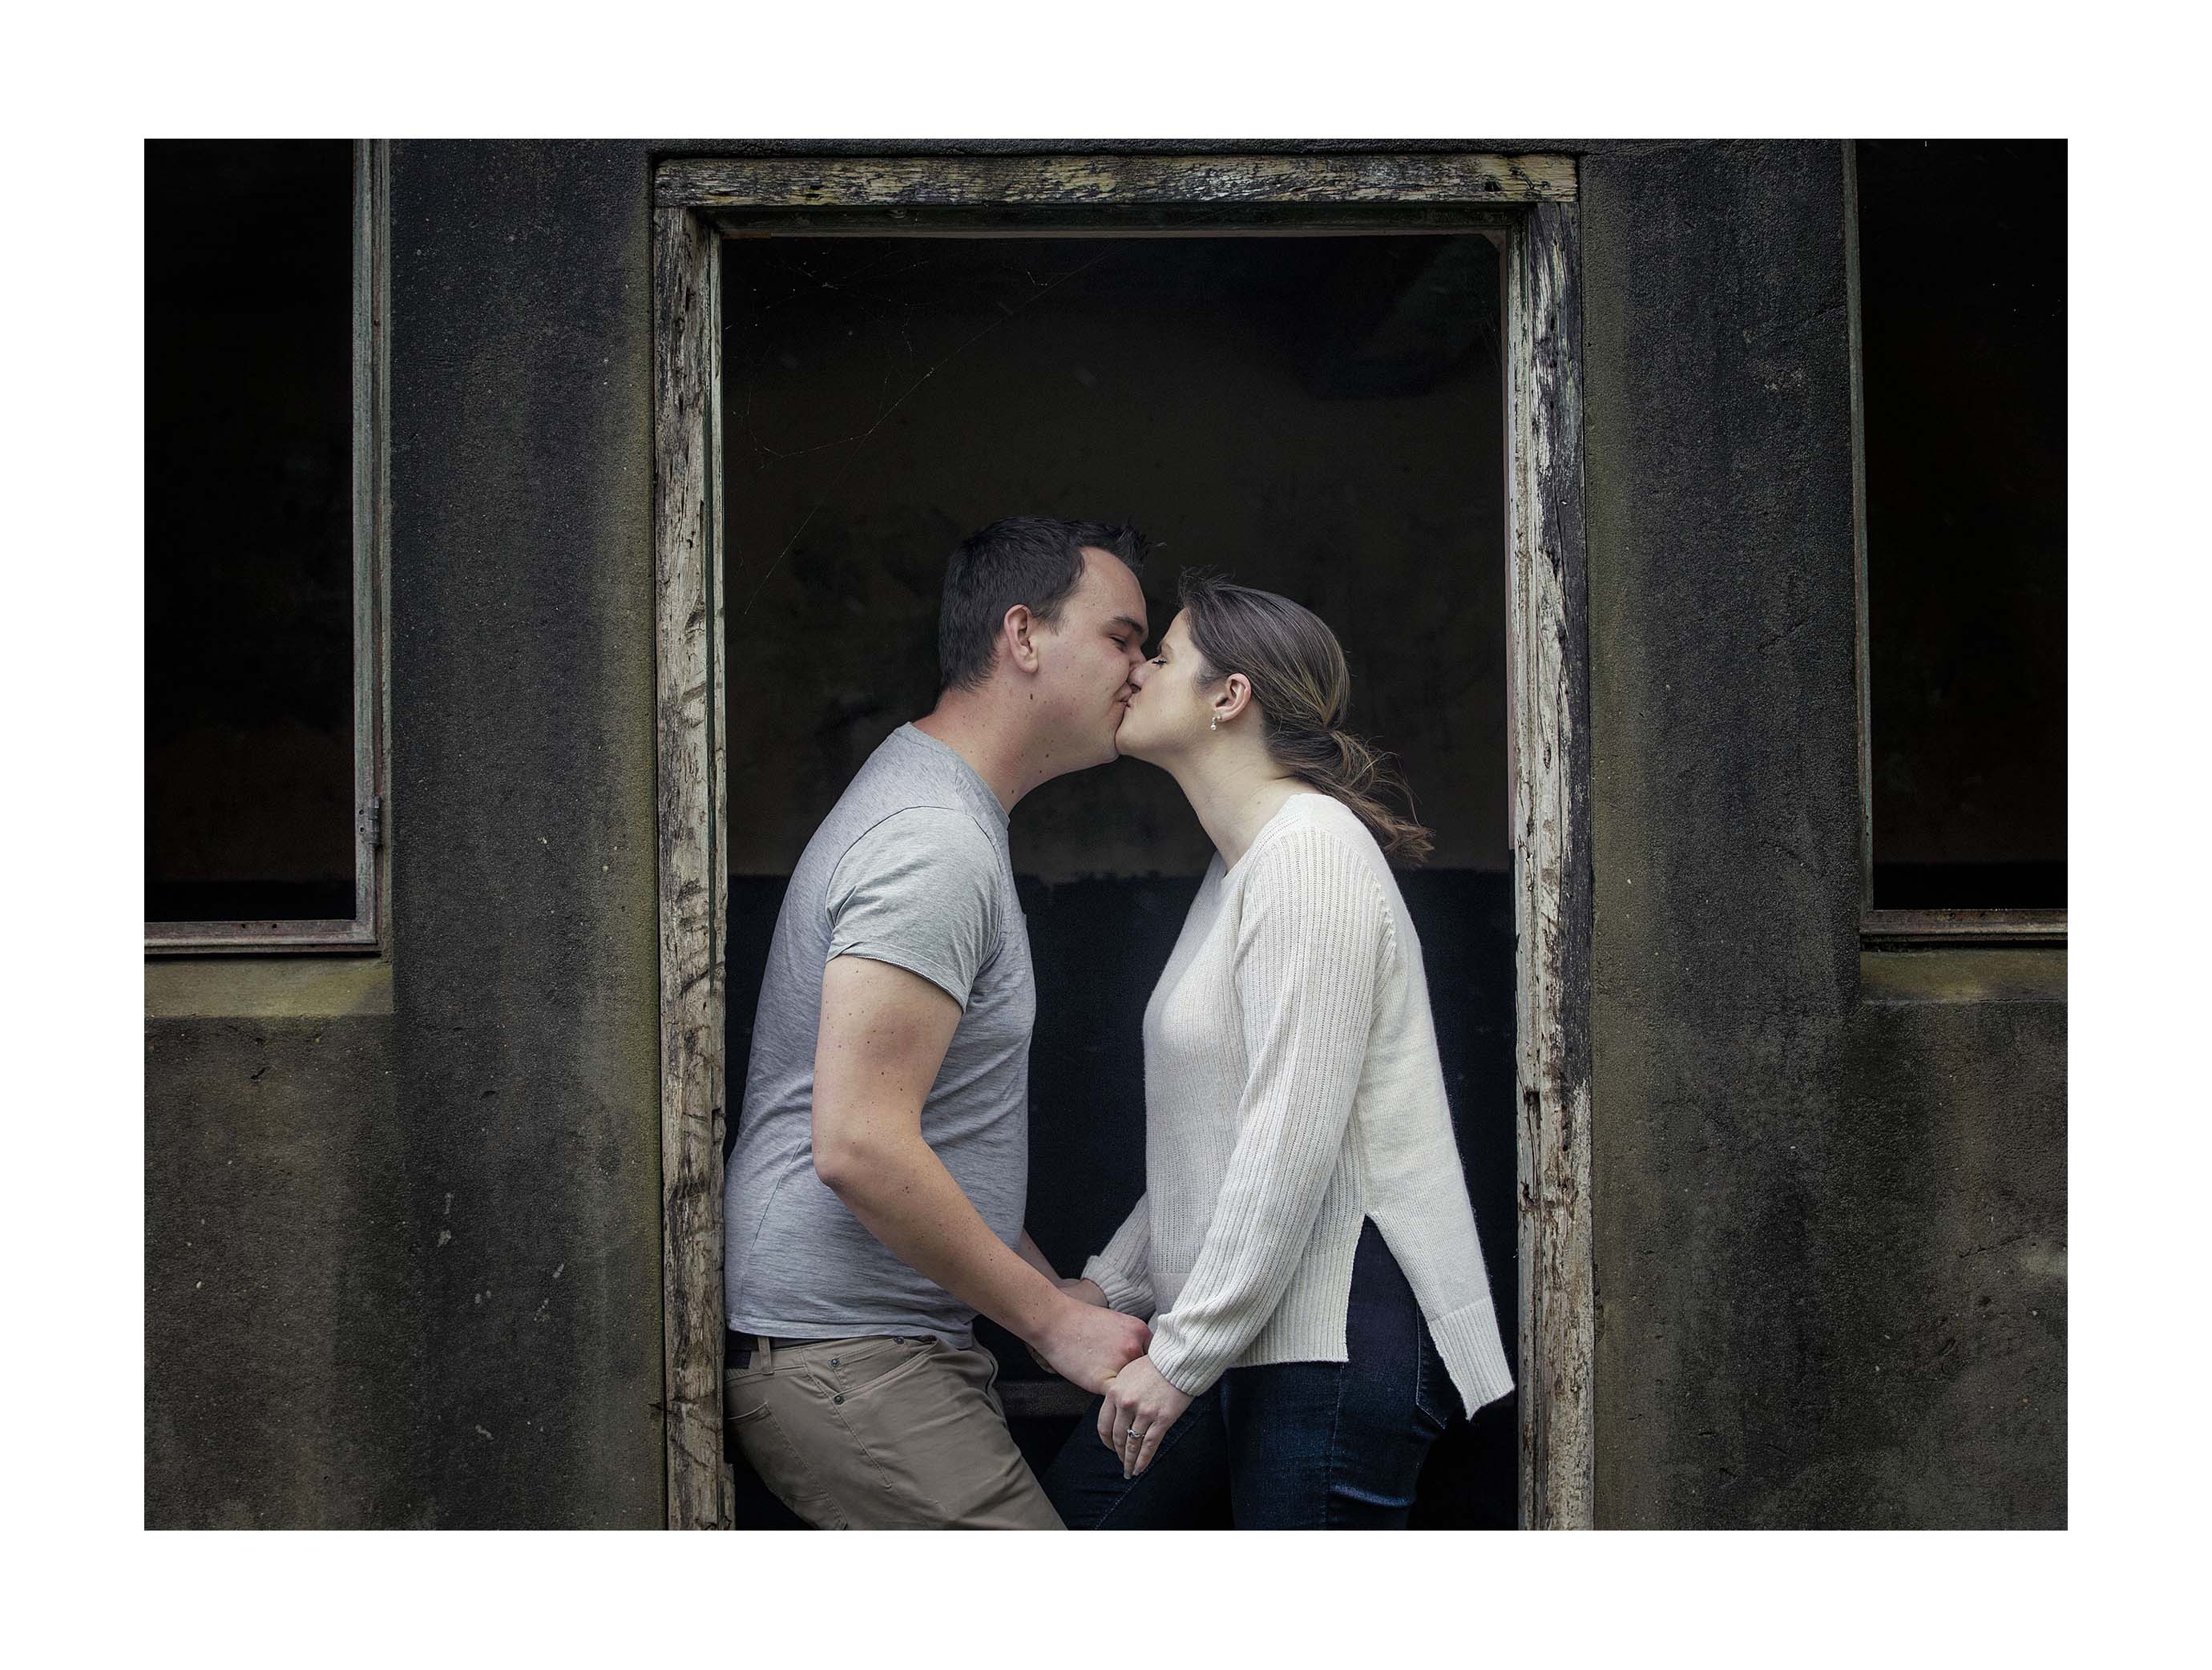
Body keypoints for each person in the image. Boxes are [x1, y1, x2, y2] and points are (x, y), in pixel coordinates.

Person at [1039, 570, 1515, 1530]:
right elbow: (1216, 1137)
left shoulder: (1311, 852)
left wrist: (1179, 1353)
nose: (1135, 671)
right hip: (1245, 1331)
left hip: (1337, 1336)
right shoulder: (1239, 867)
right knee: (1079, 1511)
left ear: (1230, 695)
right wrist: (1103, 1287)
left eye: (1162, 654)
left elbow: (1288, 1135)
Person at [722, 516, 1156, 1530]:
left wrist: (1055, 1286)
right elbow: (861, 1142)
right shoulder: (934, 843)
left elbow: (935, 1127)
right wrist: (1052, 1324)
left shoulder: (939, 804)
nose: (1142, 668)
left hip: (873, 1356)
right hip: (853, 1364)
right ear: (1024, 635)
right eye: (1124, 637)